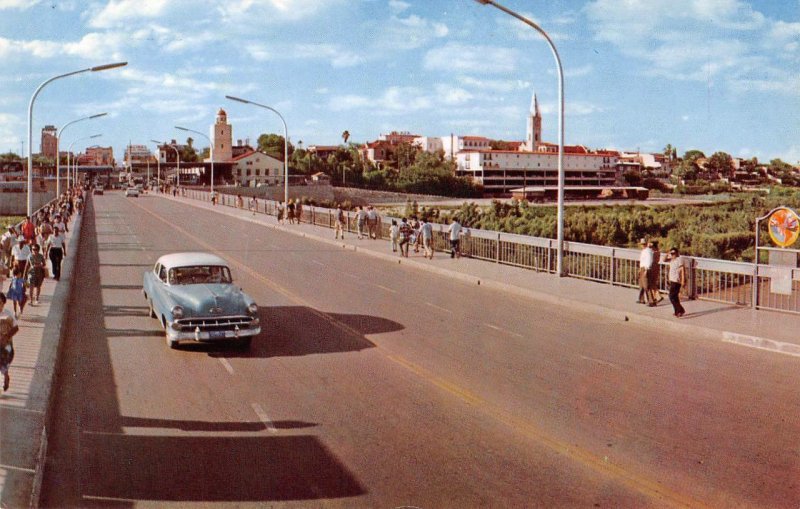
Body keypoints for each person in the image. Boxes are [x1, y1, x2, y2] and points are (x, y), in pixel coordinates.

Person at [0, 293, 19, 392]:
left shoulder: (8, 315)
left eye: (0, 303)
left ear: (3, 303)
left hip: (6, 346)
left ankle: (5, 377)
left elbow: (16, 328)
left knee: (2, 364)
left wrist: (6, 336)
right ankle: (5, 377)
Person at [667, 247, 686, 317]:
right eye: (671, 253)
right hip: (672, 280)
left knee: (671, 296)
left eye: (674, 253)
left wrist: (683, 280)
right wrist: (667, 253)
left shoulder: (679, 259)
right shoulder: (672, 260)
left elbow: (682, 270)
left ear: (677, 253)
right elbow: (664, 260)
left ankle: (680, 310)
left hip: (676, 280)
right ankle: (678, 311)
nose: (673, 255)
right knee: (675, 297)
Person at [637, 238, 653, 305]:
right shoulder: (643, 251)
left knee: (646, 286)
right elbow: (642, 261)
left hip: (645, 269)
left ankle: (651, 301)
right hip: (642, 268)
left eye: (643, 244)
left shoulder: (648, 251)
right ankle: (641, 299)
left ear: (646, 244)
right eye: (641, 244)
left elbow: (649, 260)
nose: (642, 245)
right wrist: (640, 268)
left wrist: (646, 269)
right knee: (641, 285)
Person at [648, 241, 664, 305]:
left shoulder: (653, 253)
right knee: (653, 282)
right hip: (656, 267)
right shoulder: (658, 252)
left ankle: (658, 296)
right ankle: (654, 298)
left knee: (651, 283)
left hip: (652, 267)